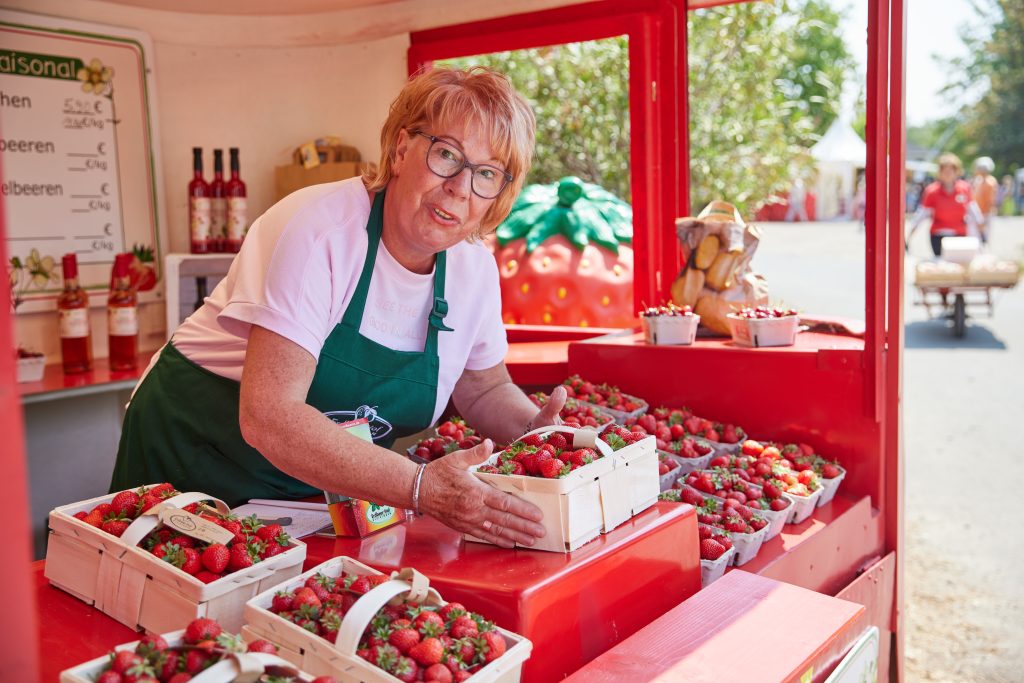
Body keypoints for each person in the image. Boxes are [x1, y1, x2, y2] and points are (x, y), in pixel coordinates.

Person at [110, 67, 564, 549]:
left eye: (487, 174)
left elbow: (485, 388)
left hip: (317, 491)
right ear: (401, 148)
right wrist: (419, 487)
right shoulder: (318, 230)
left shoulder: (473, 271)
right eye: (447, 154)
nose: (460, 186)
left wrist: (537, 432)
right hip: (197, 455)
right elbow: (269, 415)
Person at [908, 153, 983, 257]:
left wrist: (982, 232)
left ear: (956, 172)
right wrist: (910, 235)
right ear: (940, 173)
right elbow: (922, 214)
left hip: (959, 234)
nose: (948, 174)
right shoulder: (932, 191)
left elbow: (974, 211)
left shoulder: (964, 189)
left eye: (951, 171)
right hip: (938, 235)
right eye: (944, 171)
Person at [970, 156, 998, 245]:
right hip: (979, 212)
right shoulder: (978, 180)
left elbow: (990, 200)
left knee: (984, 235)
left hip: (985, 212)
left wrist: (983, 215)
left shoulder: (990, 182)